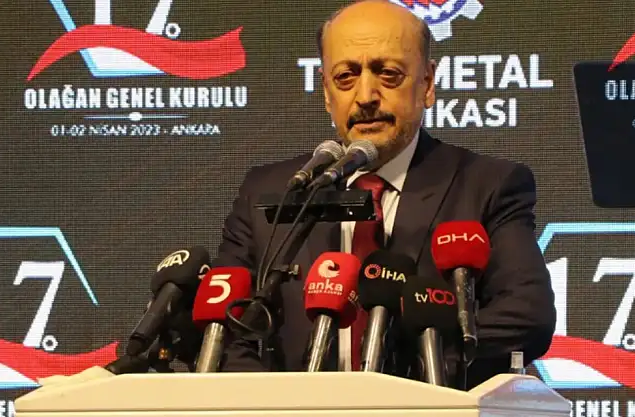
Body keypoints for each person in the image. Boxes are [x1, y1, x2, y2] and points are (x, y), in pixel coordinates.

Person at [214, 0, 555, 389]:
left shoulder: (487, 185)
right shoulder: (271, 191)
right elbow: (226, 330)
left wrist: (404, 372)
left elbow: (526, 316)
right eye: (346, 77)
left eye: (388, 74)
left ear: (427, 84)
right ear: (326, 92)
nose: (366, 96)